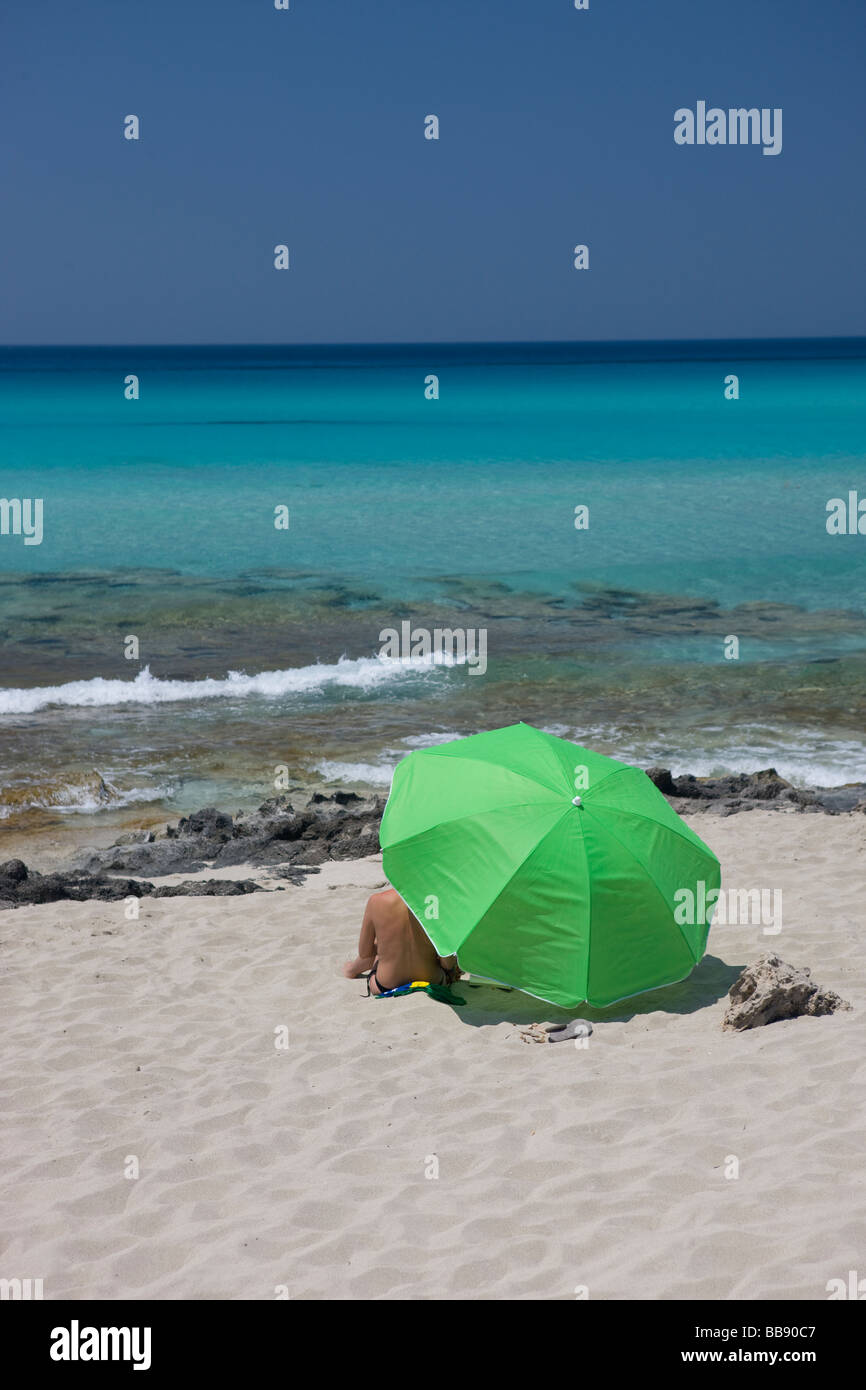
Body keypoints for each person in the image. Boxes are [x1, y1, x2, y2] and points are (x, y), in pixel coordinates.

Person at [343, 887, 461, 995]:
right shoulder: (435, 901)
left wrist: (386, 947)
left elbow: (365, 953)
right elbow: (447, 963)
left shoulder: (376, 900)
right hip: (432, 981)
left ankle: (350, 970)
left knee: (380, 947)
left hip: (385, 986)